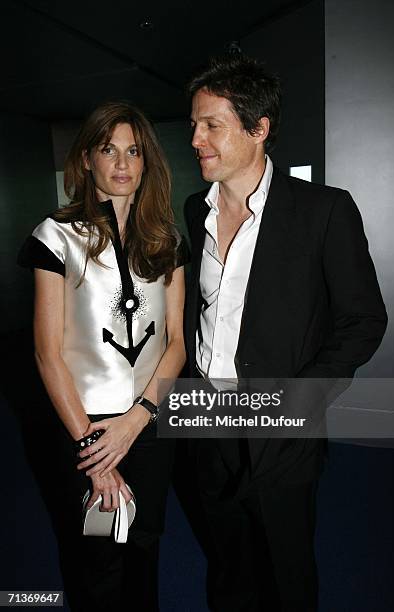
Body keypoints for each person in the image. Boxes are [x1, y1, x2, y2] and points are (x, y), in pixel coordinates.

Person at [183, 55, 387, 611]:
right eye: (195, 124)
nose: (196, 138)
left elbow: (363, 321)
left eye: (211, 125)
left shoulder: (325, 211)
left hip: (280, 423)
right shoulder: (191, 212)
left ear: (259, 128)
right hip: (205, 417)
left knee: (285, 567)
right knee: (226, 561)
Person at [18, 101, 187, 611]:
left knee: (145, 543)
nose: (122, 163)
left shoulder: (167, 239)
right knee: (96, 557)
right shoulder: (55, 236)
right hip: (82, 424)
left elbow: (176, 343)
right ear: (87, 158)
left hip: (148, 423)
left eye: (133, 151)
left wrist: (138, 420)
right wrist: (94, 450)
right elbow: (48, 355)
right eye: (108, 149)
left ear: (146, 160)